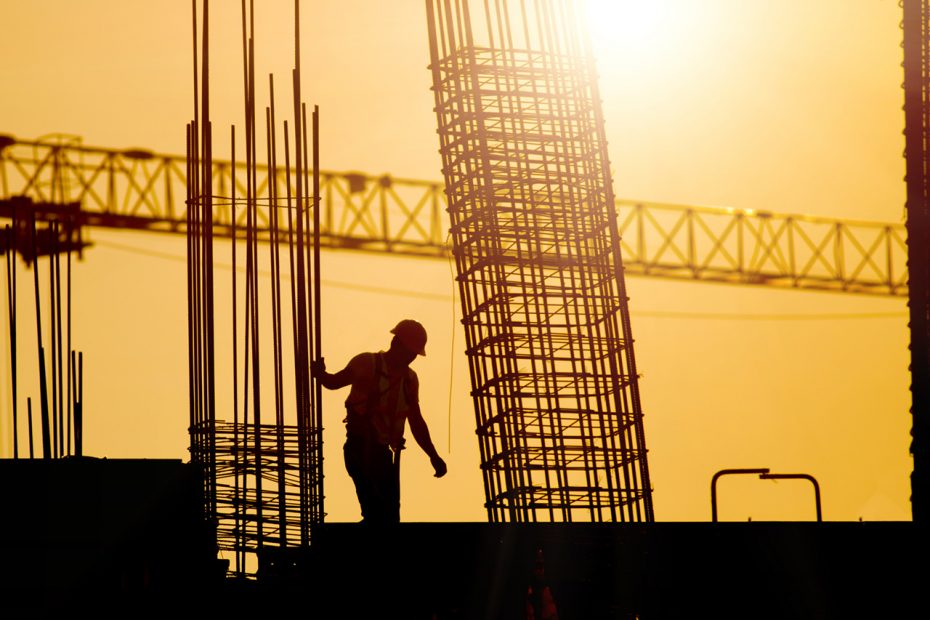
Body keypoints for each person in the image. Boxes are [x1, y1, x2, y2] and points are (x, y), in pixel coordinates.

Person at [311, 319, 447, 523]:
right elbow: (334, 382)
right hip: (359, 449)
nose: (411, 358)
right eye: (409, 352)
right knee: (377, 513)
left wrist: (433, 455)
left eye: (414, 354)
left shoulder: (410, 380)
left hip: (383, 454)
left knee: (390, 516)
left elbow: (416, 421)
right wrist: (320, 374)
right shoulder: (367, 363)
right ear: (396, 344)